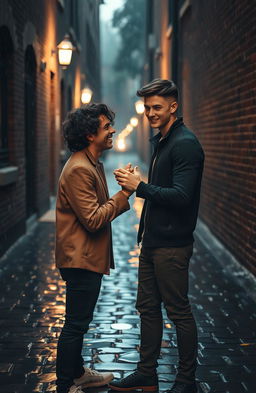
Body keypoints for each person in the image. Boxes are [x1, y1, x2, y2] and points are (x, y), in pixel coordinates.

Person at [109, 79, 204, 393]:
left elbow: (181, 196)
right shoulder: (163, 141)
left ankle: (186, 381)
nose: (150, 112)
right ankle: (146, 372)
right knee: (147, 309)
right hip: (152, 242)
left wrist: (140, 187)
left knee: (178, 312)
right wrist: (141, 183)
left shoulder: (185, 143)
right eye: (147, 107)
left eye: (157, 107)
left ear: (173, 107)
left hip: (173, 246)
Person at [55, 103, 132, 393]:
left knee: (80, 321)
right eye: (106, 126)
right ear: (90, 134)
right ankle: (66, 384)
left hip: (84, 257)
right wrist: (125, 194)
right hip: (79, 259)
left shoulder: (90, 163)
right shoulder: (79, 169)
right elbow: (93, 219)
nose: (112, 130)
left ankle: (77, 373)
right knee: (75, 324)